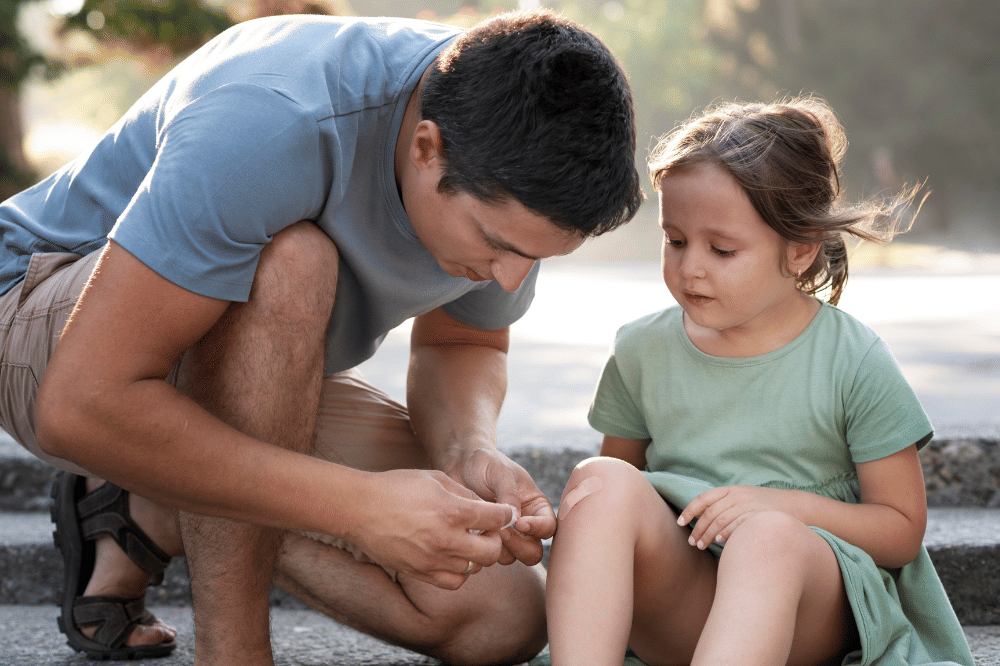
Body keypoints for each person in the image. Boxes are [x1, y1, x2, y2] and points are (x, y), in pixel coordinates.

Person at [0, 9, 642, 666]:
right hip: (48, 314)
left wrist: (467, 450)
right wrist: (356, 507)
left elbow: (463, 344)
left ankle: (142, 504)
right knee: (294, 264)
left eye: (536, 258)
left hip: (230, 372)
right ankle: (235, 651)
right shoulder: (274, 119)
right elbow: (78, 407)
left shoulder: (511, 132)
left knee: (500, 615)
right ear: (426, 148)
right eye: (497, 244)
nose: (510, 277)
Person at [535, 98, 974, 666]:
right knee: (599, 480)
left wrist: (779, 508)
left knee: (766, 538)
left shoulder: (853, 360)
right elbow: (624, 500)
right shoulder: (640, 350)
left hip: (806, 614)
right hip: (685, 605)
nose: (690, 266)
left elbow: (900, 531)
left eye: (722, 249)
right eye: (675, 241)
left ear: (799, 250)